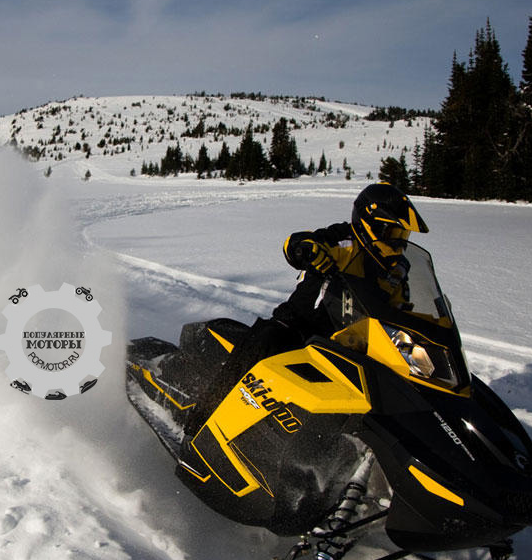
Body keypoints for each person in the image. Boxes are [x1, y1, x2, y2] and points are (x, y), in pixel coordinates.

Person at [182, 182, 429, 439]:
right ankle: (199, 423)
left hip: (352, 350)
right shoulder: (344, 241)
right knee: (266, 341)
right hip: (300, 327)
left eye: (403, 236)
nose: (398, 243)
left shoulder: (396, 271)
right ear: (371, 225)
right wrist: (307, 249)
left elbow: (402, 311)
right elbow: (298, 243)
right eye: (392, 233)